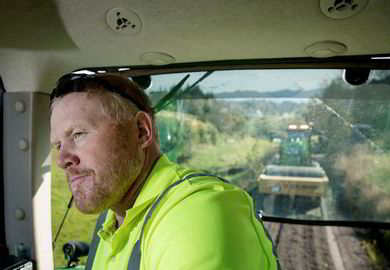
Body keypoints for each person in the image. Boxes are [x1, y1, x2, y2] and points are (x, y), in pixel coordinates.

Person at [49, 73, 280, 270]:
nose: (61, 159)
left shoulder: (197, 212)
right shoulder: (110, 219)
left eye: (78, 134)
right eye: (58, 145)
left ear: (141, 131)